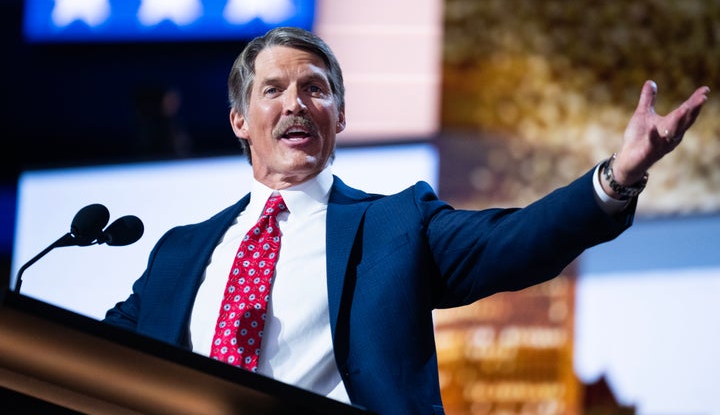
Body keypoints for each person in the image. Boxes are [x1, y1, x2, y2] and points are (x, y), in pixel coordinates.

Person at [104, 26, 709, 415]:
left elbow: (515, 242)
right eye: (274, 90)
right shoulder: (180, 253)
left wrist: (617, 176)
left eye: (315, 90)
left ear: (339, 118)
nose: (296, 104)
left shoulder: (395, 225)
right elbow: (94, 359)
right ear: (240, 121)